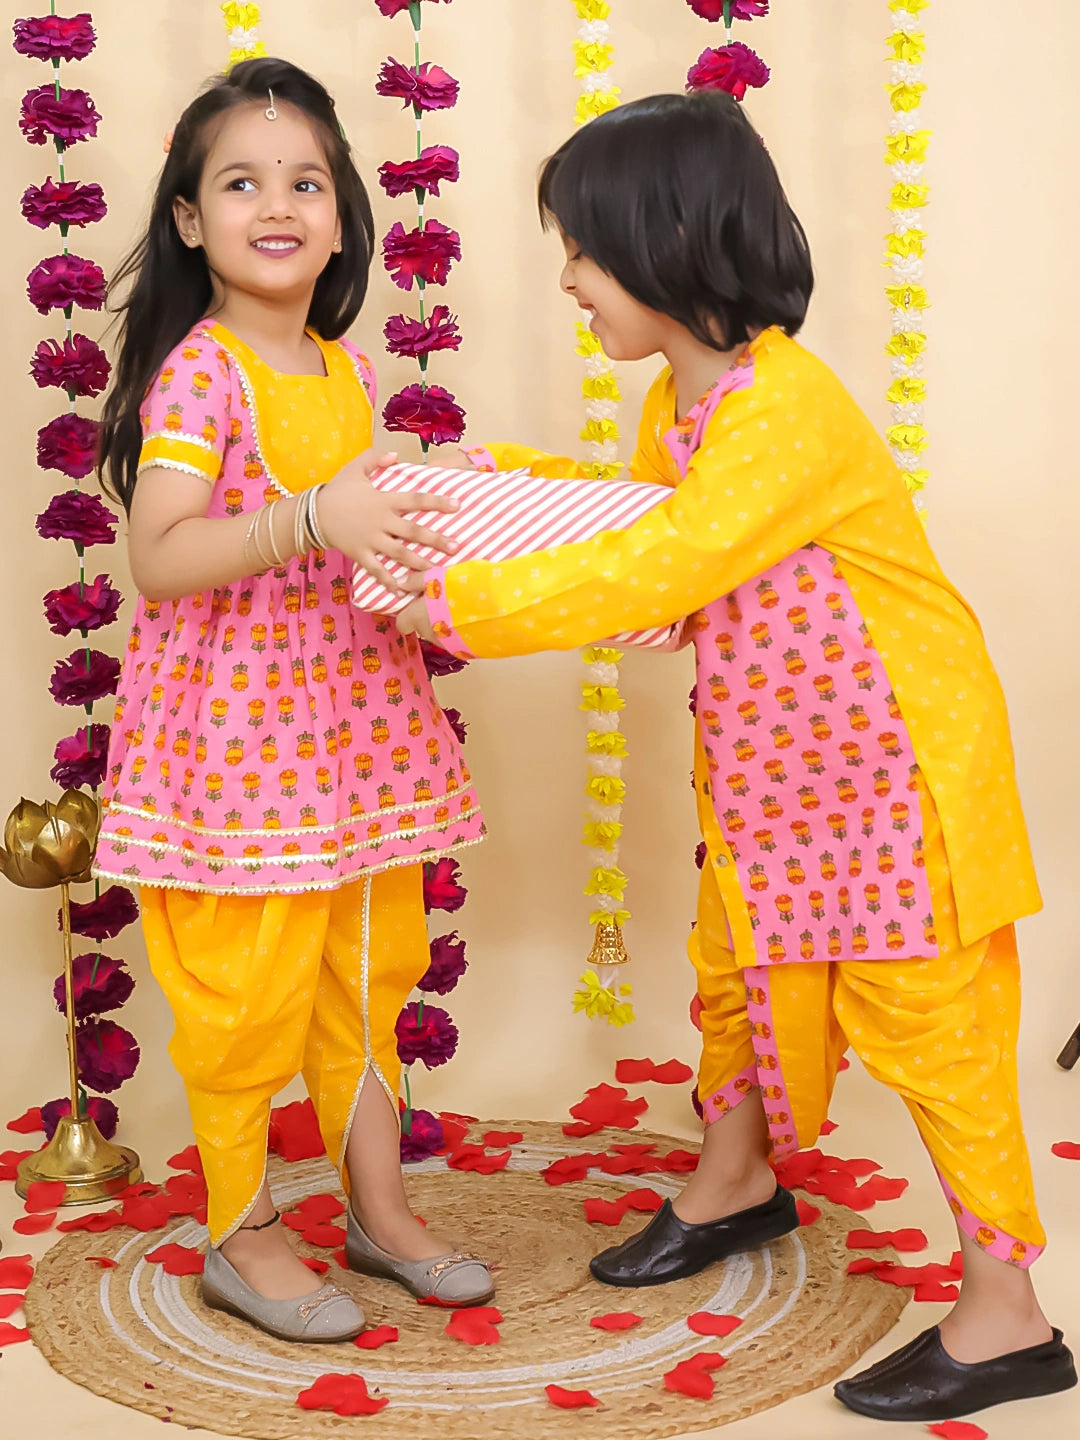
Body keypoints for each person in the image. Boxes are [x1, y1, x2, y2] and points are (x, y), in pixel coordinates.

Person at [397, 91, 1076, 1422]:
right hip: (776, 773)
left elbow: (667, 559)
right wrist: (474, 486)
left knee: (931, 1026)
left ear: (664, 242)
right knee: (738, 968)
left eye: (582, 250)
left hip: (890, 774)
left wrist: (459, 604)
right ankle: (736, 1180)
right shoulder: (682, 400)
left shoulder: (785, 406)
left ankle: (1009, 1314)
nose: (568, 279)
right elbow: (643, 526)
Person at [95, 57, 493, 1344]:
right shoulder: (201, 375)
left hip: (359, 736)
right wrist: (313, 515)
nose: (278, 204)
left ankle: (379, 1210)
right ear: (187, 218)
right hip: (239, 749)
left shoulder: (344, 370)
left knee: (364, 974)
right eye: (241, 182)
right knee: (248, 988)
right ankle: (241, 1227)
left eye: (306, 181)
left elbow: (357, 545)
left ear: (341, 214)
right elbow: (160, 557)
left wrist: (436, 549)